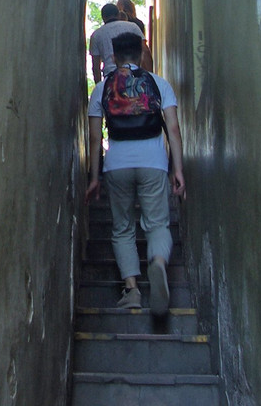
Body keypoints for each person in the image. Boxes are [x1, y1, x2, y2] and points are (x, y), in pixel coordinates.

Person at [85, 32, 185, 315]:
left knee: (122, 228)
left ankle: (132, 290)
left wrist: (95, 177)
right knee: (157, 225)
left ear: (113, 57)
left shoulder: (102, 88)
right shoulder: (159, 83)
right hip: (153, 162)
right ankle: (157, 262)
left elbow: (94, 139)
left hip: (117, 164)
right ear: (141, 55)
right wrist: (178, 169)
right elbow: (174, 130)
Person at [88, 3, 143, 83]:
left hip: (110, 77)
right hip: (134, 75)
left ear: (103, 17)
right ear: (118, 15)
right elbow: (146, 51)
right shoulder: (133, 27)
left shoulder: (96, 35)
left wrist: (100, 86)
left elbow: (96, 66)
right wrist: (150, 77)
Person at [115, 0, 153, 71]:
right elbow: (143, 46)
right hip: (136, 58)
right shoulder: (138, 23)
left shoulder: (115, 24)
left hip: (120, 58)